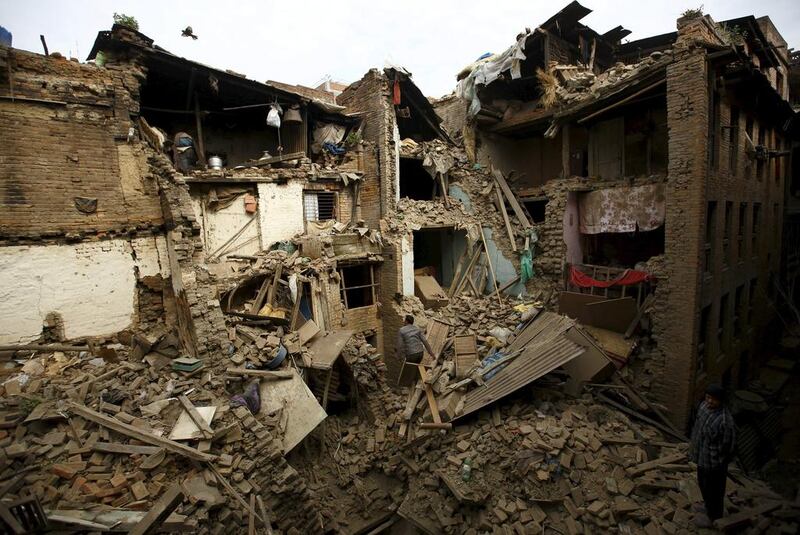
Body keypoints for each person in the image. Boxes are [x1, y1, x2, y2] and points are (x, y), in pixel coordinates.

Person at [689, 383, 736, 528]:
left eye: (714, 399)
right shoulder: (703, 406)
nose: (710, 401)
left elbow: (728, 446)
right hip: (701, 457)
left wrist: (718, 461)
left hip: (715, 463)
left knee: (715, 490)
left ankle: (714, 517)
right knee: (703, 484)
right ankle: (708, 506)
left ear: (721, 401)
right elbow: (697, 428)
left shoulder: (724, 421)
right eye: (708, 397)